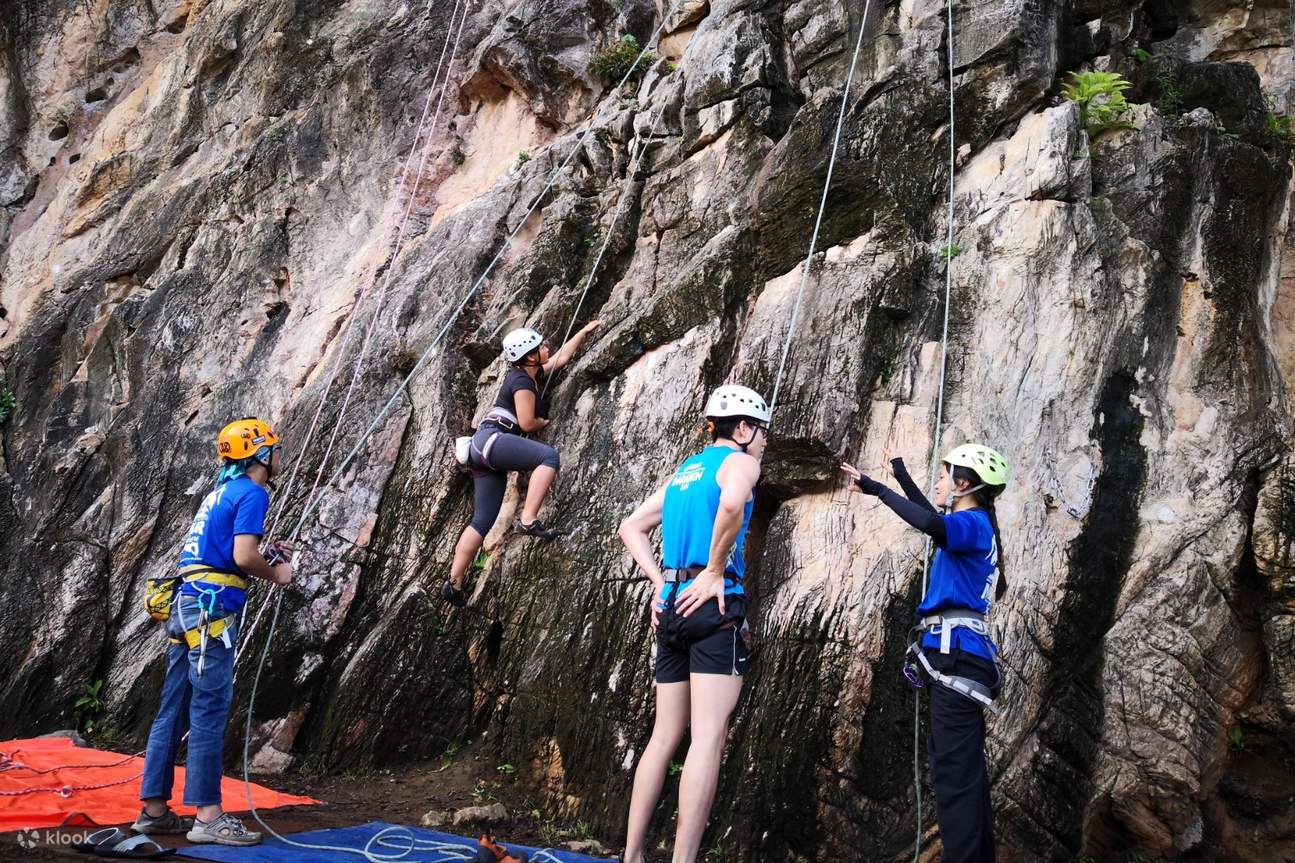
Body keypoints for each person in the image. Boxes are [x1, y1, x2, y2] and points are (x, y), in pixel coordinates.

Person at [618, 384, 770, 863]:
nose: (764, 440)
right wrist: (716, 570)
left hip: (671, 606)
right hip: (712, 608)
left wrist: (662, 582)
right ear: (743, 428)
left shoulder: (685, 472)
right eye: (761, 431)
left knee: (664, 736)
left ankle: (632, 854)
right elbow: (732, 505)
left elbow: (630, 526)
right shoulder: (741, 463)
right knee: (707, 737)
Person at [840, 444, 1010, 863]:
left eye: (943, 475)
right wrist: (898, 475)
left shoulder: (972, 523)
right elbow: (933, 521)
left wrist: (881, 490)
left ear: (964, 484)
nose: (938, 482)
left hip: (956, 659)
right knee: (964, 775)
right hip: (958, 659)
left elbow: (933, 526)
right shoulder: (972, 525)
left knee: (955, 777)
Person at [136, 418, 294, 847]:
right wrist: (277, 572)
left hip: (185, 604)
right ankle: (207, 815)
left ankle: (153, 810)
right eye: (274, 449)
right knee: (208, 708)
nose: (279, 456)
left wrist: (264, 557)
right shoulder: (253, 492)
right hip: (212, 611)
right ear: (260, 455)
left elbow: (225, 549)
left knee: (173, 707)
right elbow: (244, 556)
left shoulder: (219, 492)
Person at [442, 321, 600, 607]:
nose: (545, 347)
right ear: (528, 356)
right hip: (493, 440)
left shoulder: (528, 372)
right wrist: (543, 421)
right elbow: (527, 422)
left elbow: (560, 357)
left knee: (482, 521)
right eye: (539, 346)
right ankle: (528, 520)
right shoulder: (522, 381)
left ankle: (453, 583)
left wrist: (584, 332)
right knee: (548, 457)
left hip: (483, 448)